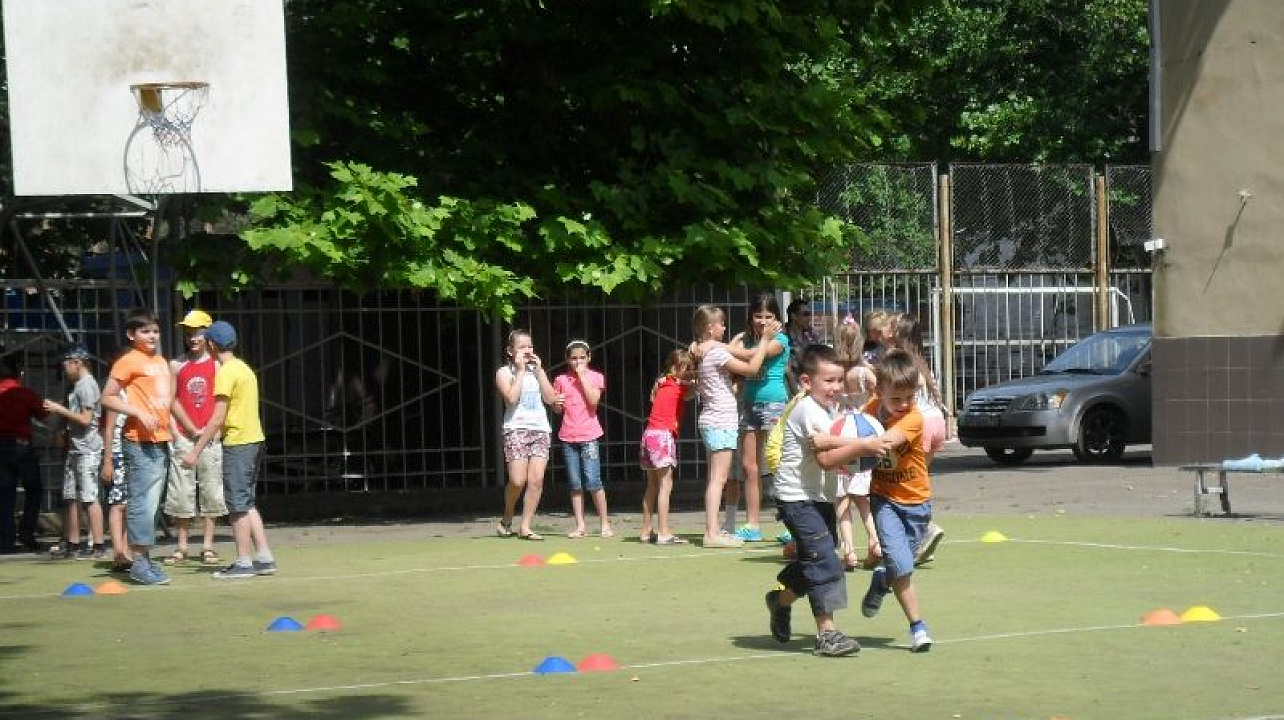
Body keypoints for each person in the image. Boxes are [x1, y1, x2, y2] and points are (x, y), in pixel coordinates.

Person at [763, 344, 893, 656]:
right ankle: (828, 634)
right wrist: (863, 445)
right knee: (825, 559)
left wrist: (858, 444)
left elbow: (832, 448)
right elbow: (825, 459)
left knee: (814, 559)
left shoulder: (830, 411)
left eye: (839, 381)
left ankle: (779, 600)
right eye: (829, 381)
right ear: (807, 382)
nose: (836, 388)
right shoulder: (808, 408)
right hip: (795, 497)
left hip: (819, 496)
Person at [183, 321, 277, 579]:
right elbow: (231, 413)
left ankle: (244, 562)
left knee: (236, 506)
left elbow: (217, 416)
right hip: (253, 439)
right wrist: (212, 433)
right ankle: (264, 557)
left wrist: (195, 451)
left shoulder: (224, 372)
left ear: (211, 345)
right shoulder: (243, 369)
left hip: (239, 443)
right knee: (246, 502)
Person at [856, 349, 935, 652]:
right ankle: (918, 628)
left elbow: (886, 442)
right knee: (902, 566)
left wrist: (847, 444)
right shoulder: (871, 409)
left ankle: (880, 581)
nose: (902, 405)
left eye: (908, 398)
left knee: (899, 565)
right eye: (895, 399)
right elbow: (857, 430)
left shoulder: (913, 418)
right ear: (880, 391)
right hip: (884, 500)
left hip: (917, 504)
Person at [690, 304, 778, 548]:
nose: (725, 327)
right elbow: (751, 368)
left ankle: (714, 530)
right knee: (718, 479)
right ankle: (711, 533)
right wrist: (764, 341)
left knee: (715, 478)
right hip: (720, 421)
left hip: (714, 419)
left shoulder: (707, 350)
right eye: (721, 324)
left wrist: (731, 344)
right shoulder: (715, 353)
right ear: (710, 327)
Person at [101, 308, 174, 585]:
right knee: (142, 502)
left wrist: (174, 429)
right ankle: (139, 562)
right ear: (132, 335)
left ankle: (144, 558)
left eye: (155, 330)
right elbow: (106, 398)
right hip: (138, 441)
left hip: (161, 440)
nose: (152, 335)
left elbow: (166, 400)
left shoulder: (162, 361)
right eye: (145, 331)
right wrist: (136, 412)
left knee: (153, 504)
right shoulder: (128, 361)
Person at [163, 310, 228, 566]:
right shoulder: (177, 365)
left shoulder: (217, 365)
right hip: (184, 435)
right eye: (189, 333)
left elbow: (224, 402)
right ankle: (182, 545)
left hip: (211, 436)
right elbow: (171, 400)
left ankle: (208, 545)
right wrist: (185, 430)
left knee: (211, 491)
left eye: (198, 333)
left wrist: (216, 429)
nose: (193, 338)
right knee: (181, 491)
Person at [727, 293, 790, 542]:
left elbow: (753, 358)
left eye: (768, 317)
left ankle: (790, 524)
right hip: (750, 404)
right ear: (751, 317)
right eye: (758, 316)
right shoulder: (748, 339)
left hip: (774, 404)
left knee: (778, 465)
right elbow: (736, 357)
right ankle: (752, 525)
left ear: (777, 319)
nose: (763, 321)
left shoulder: (780, 339)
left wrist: (725, 347)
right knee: (749, 466)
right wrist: (733, 345)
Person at [890, 313, 948, 564]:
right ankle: (920, 533)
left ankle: (923, 529)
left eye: (892, 326)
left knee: (904, 484)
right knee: (918, 479)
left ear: (900, 332)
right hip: (936, 422)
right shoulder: (921, 359)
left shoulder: (899, 360)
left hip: (920, 425)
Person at [494, 329, 559, 541]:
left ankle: (526, 526)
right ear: (510, 351)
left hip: (540, 428)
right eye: (522, 347)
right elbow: (511, 399)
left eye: (530, 346)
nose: (527, 350)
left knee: (537, 479)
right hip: (516, 428)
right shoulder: (504, 372)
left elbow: (551, 399)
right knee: (517, 480)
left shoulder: (537, 371)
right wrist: (521, 371)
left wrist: (540, 372)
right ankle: (507, 517)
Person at [43, 345, 105, 560]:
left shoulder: (87, 386)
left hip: (88, 448)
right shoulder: (76, 385)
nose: (64, 367)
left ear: (77, 363)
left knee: (89, 497)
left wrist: (59, 409)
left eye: (67, 363)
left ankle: (98, 544)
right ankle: (73, 543)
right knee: (71, 497)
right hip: (75, 447)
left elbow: (86, 419)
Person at [831, 318, 882, 572]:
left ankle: (849, 551)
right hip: (863, 431)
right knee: (863, 497)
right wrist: (866, 410)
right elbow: (879, 391)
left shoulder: (836, 374)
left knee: (842, 498)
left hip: (840, 434)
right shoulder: (863, 372)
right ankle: (874, 540)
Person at [553, 339, 612, 539]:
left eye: (582, 358)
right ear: (567, 359)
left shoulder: (596, 377)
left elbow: (594, 401)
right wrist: (555, 403)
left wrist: (581, 376)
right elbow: (557, 409)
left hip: (589, 436)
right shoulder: (561, 380)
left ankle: (605, 524)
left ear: (588, 358)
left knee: (594, 481)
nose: (578, 362)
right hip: (568, 437)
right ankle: (580, 525)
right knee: (575, 483)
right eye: (574, 358)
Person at [639, 348, 696, 545]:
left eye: (691, 368)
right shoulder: (677, 385)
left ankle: (646, 530)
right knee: (666, 484)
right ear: (674, 367)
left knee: (652, 485)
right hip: (662, 435)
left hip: (649, 434)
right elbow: (692, 388)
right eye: (686, 368)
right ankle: (663, 532)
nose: (689, 371)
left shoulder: (663, 384)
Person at [0, 352, 47, 554]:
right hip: (21, 445)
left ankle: (6, 539)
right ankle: (26, 532)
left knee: (4, 494)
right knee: (34, 490)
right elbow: (43, 414)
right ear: (18, 373)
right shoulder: (23, 393)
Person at [100, 398, 132, 573]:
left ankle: (126, 553)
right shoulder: (117, 395)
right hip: (117, 454)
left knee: (129, 505)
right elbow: (109, 429)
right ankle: (118, 553)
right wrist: (107, 460)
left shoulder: (139, 391)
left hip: (135, 453)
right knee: (117, 503)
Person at [784, 297, 820, 392]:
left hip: (810, 383)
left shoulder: (812, 334)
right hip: (788, 386)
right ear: (793, 316)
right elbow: (786, 368)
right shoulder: (783, 335)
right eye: (805, 314)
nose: (809, 318)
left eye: (809, 314)